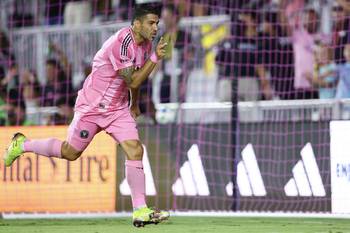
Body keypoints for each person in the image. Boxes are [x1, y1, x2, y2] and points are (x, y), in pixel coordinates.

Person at [3, 5, 169, 227]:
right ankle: (22, 144)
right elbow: (133, 80)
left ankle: (140, 210)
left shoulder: (146, 45)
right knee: (70, 152)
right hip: (92, 107)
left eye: (157, 23)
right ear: (137, 24)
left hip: (117, 109)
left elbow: (137, 78)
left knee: (135, 149)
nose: (155, 27)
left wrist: (134, 104)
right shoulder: (122, 43)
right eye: (151, 23)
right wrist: (156, 58)